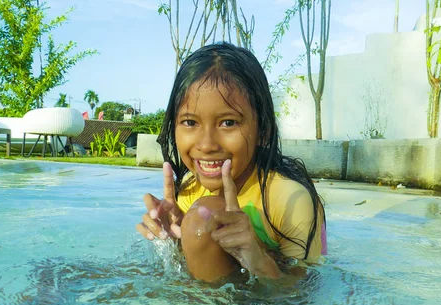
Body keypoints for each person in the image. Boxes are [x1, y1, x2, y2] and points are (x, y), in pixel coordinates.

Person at [136, 42, 326, 281]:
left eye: (228, 122)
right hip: (220, 300)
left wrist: (258, 258)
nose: (206, 145)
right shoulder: (188, 189)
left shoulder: (288, 199)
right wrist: (175, 241)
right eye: (190, 122)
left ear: (264, 129)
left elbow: (304, 300)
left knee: (206, 213)